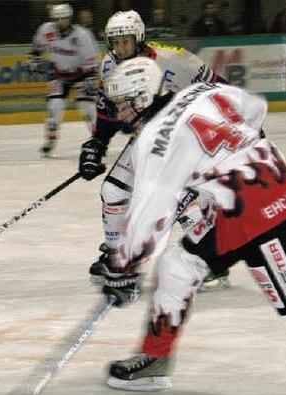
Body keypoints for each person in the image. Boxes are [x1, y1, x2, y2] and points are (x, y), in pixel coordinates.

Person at [96, 57, 286, 392]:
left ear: (140, 99)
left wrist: (125, 269)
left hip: (256, 215)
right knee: (180, 265)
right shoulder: (199, 92)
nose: (117, 113)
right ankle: (156, 357)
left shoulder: (151, 141)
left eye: (122, 105)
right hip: (266, 187)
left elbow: (149, 217)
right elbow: (254, 108)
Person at [78, 10, 231, 291]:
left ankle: (213, 258)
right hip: (148, 139)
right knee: (113, 191)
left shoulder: (173, 59)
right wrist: (97, 143)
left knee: (179, 196)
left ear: (139, 38)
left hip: (185, 138)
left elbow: (219, 88)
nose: (120, 48)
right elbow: (106, 108)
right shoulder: (109, 65)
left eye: (126, 41)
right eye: (115, 41)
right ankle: (116, 255)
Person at [28, 3, 99, 158]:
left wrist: (91, 78)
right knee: (54, 106)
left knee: (87, 107)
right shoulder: (46, 30)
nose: (61, 22)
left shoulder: (82, 35)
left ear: (70, 18)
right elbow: (36, 49)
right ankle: (50, 140)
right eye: (57, 19)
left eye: (64, 18)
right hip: (58, 75)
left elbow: (92, 59)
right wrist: (34, 60)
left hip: (81, 74)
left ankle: (98, 140)